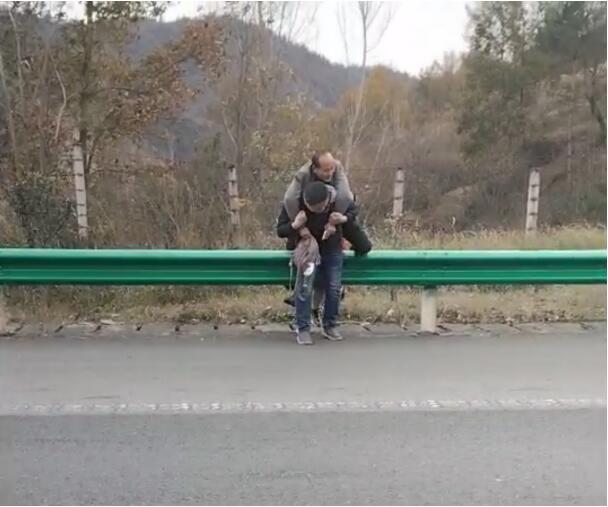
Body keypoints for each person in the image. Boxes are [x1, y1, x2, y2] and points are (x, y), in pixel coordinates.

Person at [282, 151, 372, 320]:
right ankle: (307, 307)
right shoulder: (303, 179)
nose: (330, 173)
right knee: (309, 258)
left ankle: (331, 294)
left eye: (332, 168)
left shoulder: (338, 175)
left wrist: (339, 220)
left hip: (336, 219)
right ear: (315, 169)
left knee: (364, 246)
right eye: (325, 170)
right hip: (308, 226)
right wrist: (299, 228)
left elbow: (349, 201)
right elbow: (288, 202)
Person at [277, 181, 355, 345]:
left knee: (334, 288)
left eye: (321, 208)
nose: (317, 211)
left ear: (327, 201)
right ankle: (303, 328)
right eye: (312, 208)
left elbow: (353, 212)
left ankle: (330, 325)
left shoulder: (338, 200)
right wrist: (296, 225)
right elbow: (281, 230)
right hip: (308, 250)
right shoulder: (295, 203)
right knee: (305, 288)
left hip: (332, 247)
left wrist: (342, 219)